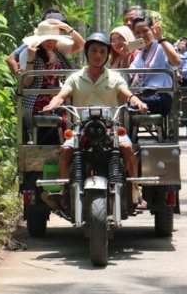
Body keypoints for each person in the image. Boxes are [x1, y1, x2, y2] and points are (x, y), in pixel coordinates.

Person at [42, 33, 149, 206]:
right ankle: (63, 192)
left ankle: (136, 191)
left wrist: (139, 102)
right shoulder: (76, 78)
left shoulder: (114, 78)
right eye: (94, 51)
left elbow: (128, 96)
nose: (98, 55)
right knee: (66, 150)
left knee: (127, 147)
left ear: (107, 54)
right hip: (81, 128)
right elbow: (61, 96)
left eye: (102, 51)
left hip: (110, 127)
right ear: (86, 52)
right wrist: (51, 105)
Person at [20, 19, 85, 144]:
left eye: (54, 39)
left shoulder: (57, 49)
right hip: (35, 100)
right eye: (48, 39)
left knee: (72, 119)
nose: (51, 43)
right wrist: (30, 59)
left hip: (57, 98)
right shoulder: (27, 52)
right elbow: (27, 82)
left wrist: (67, 28)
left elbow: (81, 44)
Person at [129, 14, 181, 115]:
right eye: (137, 33)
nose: (142, 35)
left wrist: (161, 38)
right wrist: (124, 56)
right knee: (123, 103)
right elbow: (130, 73)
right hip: (143, 95)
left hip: (161, 96)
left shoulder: (162, 46)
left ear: (153, 30)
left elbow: (176, 61)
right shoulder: (140, 54)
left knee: (129, 106)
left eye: (145, 31)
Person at [6, 9, 72, 75]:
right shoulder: (32, 44)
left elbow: (80, 45)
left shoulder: (59, 45)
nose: (61, 31)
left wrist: (69, 29)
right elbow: (10, 59)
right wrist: (19, 75)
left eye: (62, 28)